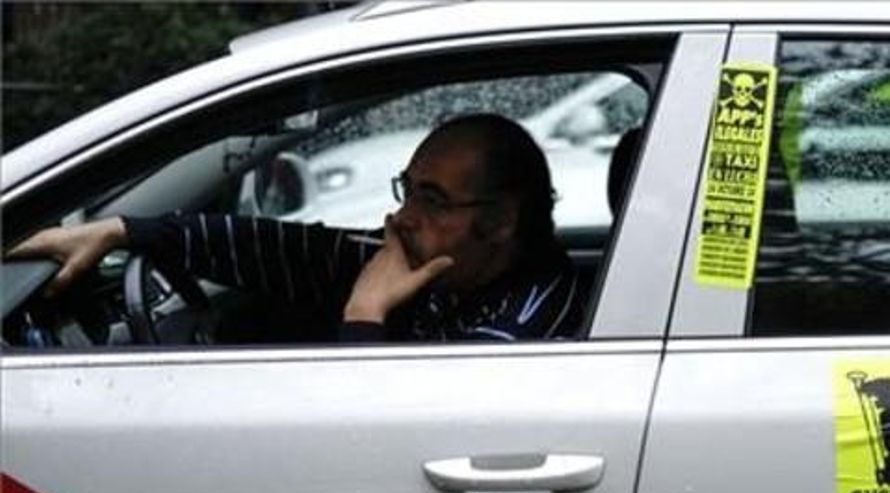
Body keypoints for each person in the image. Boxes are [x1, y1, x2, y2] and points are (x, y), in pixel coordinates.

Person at [9, 113, 583, 342]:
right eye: (406, 191)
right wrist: (121, 232)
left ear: (501, 220)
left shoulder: (525, 324)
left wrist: (364, 314)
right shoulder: (448, 273)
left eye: (432, 200)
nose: (402, 218)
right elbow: (285, 249)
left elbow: (384, 435)